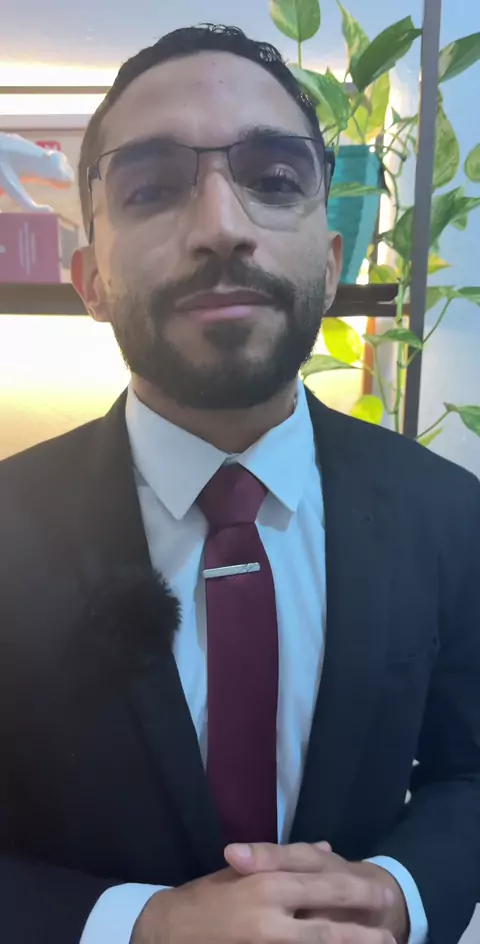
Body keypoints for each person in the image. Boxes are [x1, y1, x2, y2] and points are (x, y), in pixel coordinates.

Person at [0, 23, 479, 944]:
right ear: (91, 281)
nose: (222, 227)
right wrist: (138, 926)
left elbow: (470, 773)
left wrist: (399, 893)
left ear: (331, 266)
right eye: (151, 188)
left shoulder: (449, 513)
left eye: (275, 180)